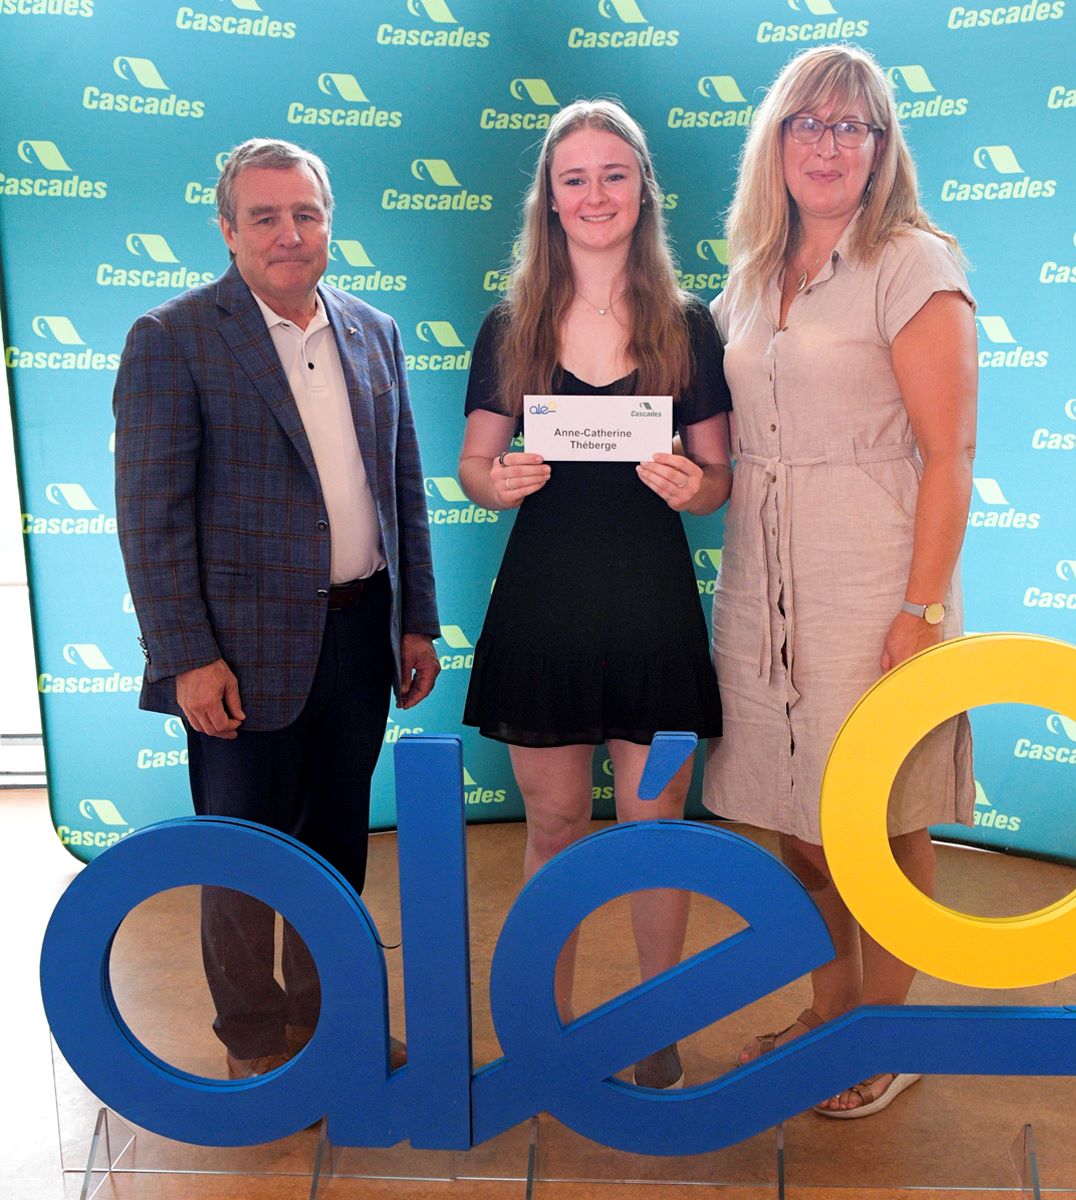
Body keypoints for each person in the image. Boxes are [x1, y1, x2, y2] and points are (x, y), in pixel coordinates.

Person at [113, 138, 440, 1080]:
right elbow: (150, 516)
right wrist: (185, 657)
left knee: (338, 843)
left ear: (328, 221)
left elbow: (400, 488)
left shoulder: (373, 330)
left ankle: (329, 1028)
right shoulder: (172, 338)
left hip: (360, 631)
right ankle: (255, 1048)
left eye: (304, 213)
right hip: (238, 656)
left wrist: (414, 617)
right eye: (264, 217)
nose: (288, 233)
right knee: (244, 856)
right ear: (228, 229)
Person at [703, 44, 978, 1117]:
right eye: (807, 124)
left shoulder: (913, 262)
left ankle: (887, 1031)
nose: (828, 145)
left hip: (875, 578)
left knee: (885, 816)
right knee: (796, 816)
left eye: (851, 127)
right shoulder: (747, 275)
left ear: (880, 149)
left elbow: (949, 453)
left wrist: (922, 607)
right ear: (774, 143)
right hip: (762, 580)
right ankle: (828, 1011)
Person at [457, 100, 732, 1090]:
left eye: (613, 174)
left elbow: (718, 479)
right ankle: (547, 1031)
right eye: (573, 178)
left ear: (643, 190)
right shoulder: (511, 326)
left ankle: (657, 1032)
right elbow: (474, 465)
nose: (594, 195)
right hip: (545, 622)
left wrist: (690, 486)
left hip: (655, 624)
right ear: (549, 199)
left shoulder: (690, 326)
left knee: (656, 827)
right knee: (556, 825)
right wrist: (502, 480)